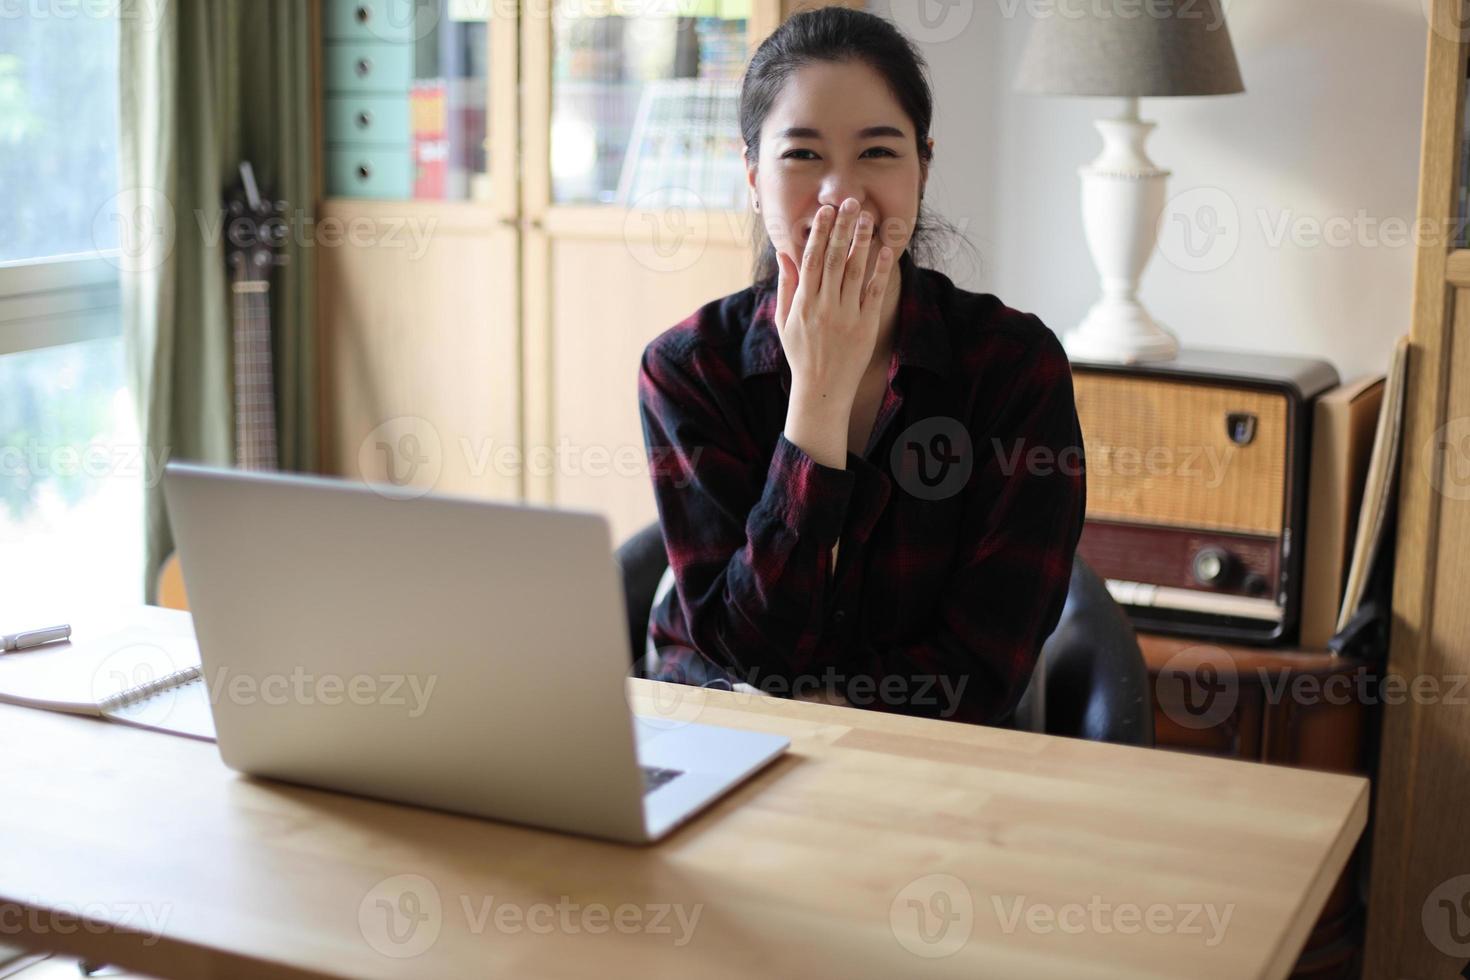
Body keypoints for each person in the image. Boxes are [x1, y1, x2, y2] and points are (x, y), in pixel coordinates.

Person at [636, 7, 1087, 726]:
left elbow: (981, 671)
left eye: (877, 153)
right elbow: (744, 653)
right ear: (752, 175)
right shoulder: (689, 370)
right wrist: (816, 399)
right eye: (803, 155)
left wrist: (815, 707)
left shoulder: (1012, 368)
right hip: (721, 746)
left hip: (922, 770)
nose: (841, 195)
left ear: (923, 166)